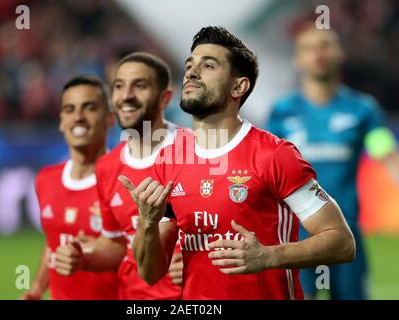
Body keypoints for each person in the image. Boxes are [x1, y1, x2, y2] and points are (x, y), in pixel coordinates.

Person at [119, 26, 355, 300]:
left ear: (238, 86)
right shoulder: (170, 158)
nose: (191, 73)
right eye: (189, 66)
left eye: (208, 65)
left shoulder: (275, 155)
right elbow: (151, 272)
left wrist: (268, 256)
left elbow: (342, 242)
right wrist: (146, 224)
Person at [267, 24, 399, 300]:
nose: (318, 54)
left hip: (346, 234)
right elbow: (266, 170)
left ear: (340, 54)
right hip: (296, 237)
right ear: (297, 59)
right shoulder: (282, 112)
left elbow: (386, 156)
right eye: (308, 48)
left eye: (325, 46)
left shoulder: (362, 110)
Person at [55, 52, 182, 300]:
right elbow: (116, 243)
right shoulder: (107, 167)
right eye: (119, 86)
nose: (126, 96)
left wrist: (201, 262)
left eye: (140, 86)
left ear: (164, 98)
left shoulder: (197, 152)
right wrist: (84, 255)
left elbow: (226, 231)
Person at [21, 75, 118, 300]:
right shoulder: (46, 179)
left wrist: (99, 250)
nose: (78, 117)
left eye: (90, 108)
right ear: (61, 121)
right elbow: (54, 244)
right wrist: (36, 289)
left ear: (110, 118)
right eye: (69, 109)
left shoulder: (124, 179)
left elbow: (145, 256)